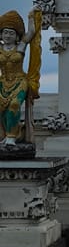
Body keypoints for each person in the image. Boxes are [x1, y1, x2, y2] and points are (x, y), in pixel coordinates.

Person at [0, 9, 41, 146]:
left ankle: (12, 136)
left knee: (15, 104)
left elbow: (30, 33)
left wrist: (31, 16)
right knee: (1, 109)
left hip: (19, 81)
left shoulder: (20, 46)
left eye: (11, 33)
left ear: (17, 36)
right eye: (5, 32)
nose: (8, 35)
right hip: (3, 82)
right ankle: (7, 134)